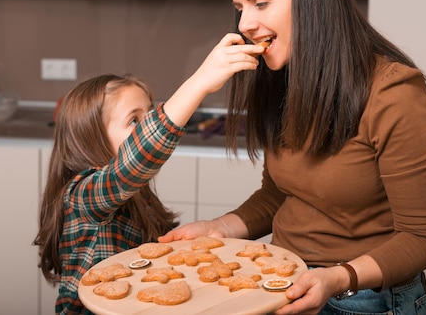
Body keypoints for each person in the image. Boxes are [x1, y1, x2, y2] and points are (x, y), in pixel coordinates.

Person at [158, 0, 426, 315]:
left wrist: (337, 277)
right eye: (240, 7)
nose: (244, 23)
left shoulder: (395, 95)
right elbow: (281, 192)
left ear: (313, 0)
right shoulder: (285, 78)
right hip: (286, 282)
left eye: (260, 3)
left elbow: (422, 238)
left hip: (367, 300)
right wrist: (220, 229)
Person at [33, 34, 266, 315]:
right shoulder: (82, 196)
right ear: (90, 137)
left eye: (149, 115)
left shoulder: (138, 198)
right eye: (135, 120)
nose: (145, 127)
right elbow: (134, 161)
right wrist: (199, 83)